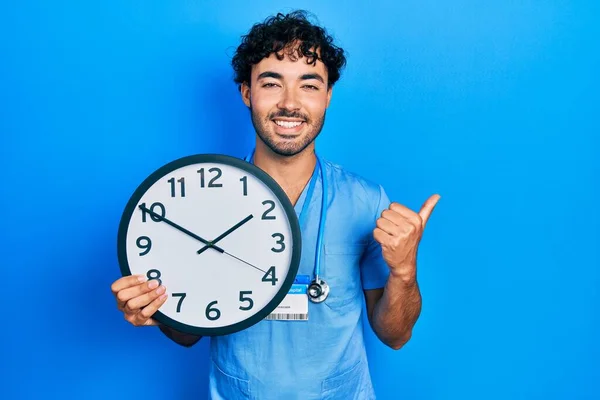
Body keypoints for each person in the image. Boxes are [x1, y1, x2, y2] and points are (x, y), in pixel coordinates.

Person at [110, 10, 440, 399]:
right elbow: (185, 336)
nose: (289, 103)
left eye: (309, 85)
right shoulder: (202, 198)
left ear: (327, 96)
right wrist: (157, 310)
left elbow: (395, 335)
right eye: (271, 83)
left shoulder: (366, 201)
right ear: (247, 93)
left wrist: (403, 271)